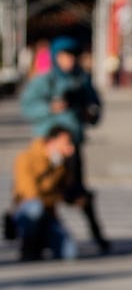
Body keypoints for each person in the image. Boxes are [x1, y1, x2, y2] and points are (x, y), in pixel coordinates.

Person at [19, 36, 110, 253]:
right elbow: (27, 106)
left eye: (72, 56)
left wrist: (88, 112)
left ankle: (97, 235)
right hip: (47, 145)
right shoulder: (45, 80)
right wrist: (50, 108)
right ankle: (33, 240)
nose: (69, 61)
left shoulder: (81, 79)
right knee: (41, 194)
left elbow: (95, 108)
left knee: (78, 193)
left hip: (73, 145)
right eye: (64, 56)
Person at [10, 124, 78, 260]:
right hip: (27, 210)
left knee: (69, 252)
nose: (70, 147)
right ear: (53, 141)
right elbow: (30, 192)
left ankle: (43, 240)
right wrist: (50, 165)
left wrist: (68, 164)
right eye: (66, 142)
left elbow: (65, 191)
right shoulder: (26, 158)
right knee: (35, 208)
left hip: (49, 213)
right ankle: (29, 245)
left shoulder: (61, 163)